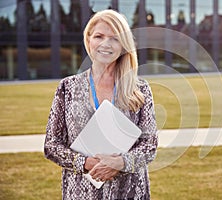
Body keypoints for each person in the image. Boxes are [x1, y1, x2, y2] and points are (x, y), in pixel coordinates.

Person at [44, 9, 158, 199]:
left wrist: (120, 163)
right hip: (81, 192)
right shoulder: (67, 87)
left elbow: (150, 145)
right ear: (89, 40)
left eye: (114, 38)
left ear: (123, 45)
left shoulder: (140, 89)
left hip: (129, 191)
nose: (106, 44)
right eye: (99, 36)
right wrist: (86, 162)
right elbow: (52, 145)